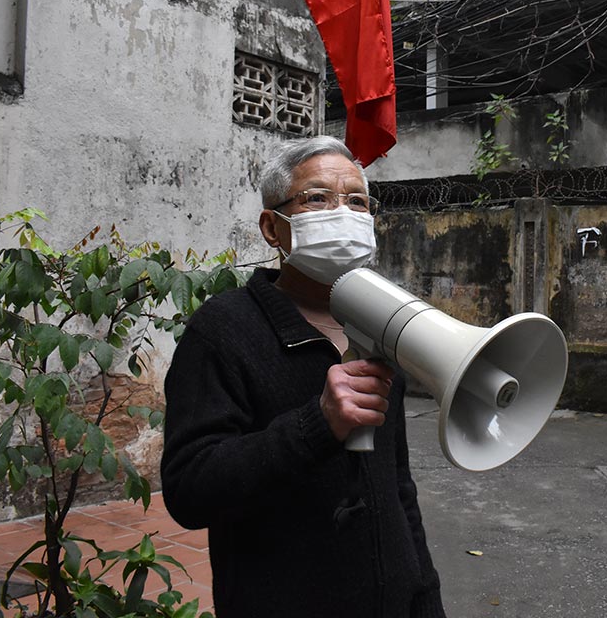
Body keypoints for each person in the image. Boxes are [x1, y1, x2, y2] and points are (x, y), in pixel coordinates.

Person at [160, 136, 446, 618]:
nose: (344, 212)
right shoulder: (222, 330)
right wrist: (318, 424)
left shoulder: (383, 328)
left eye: (357, 201)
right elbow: (189, 490)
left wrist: (426, 600)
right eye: (317, 198)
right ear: (273, 228)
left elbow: (398, 488)